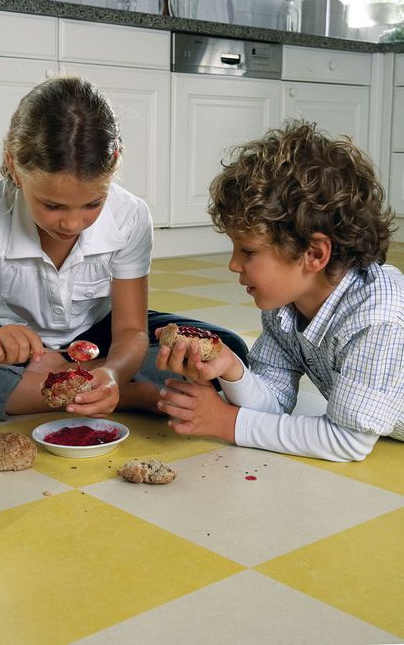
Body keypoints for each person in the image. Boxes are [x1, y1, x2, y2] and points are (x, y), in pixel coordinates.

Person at [0, 74, 247, 422]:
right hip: (7, 343)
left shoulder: (130, 216)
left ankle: (59, 385)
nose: (72, 224)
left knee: (228, 349)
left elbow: (130, 331)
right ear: (14, 168)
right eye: (52, 206)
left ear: (113, 166)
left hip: (98, 335)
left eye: (92, 204)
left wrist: (113, 373)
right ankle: (126, 395)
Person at [156, 120, 404, 462]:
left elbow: (348, 440)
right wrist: (231, 368)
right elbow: (274, 403)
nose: (233, 265)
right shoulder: (284, 308)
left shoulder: (376, 319)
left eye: (248, 251)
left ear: (314, 254)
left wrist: (226, 423)